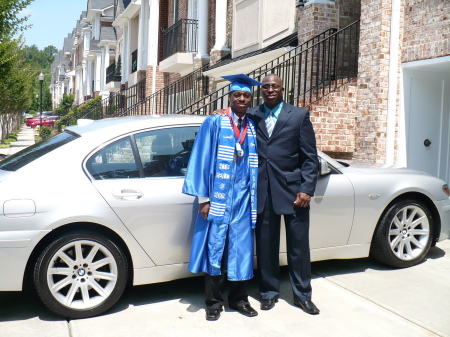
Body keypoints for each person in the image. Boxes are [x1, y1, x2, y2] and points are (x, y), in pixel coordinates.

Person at [182, 74, 263, 321]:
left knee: (241, 250)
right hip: (219, 197)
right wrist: (203, 198)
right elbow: (201, 157)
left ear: (251, 98)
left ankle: (239, 299)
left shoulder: (251, 124)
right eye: (237, 95)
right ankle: (213, 303)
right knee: (215, 248)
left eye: (246, 95)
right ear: (230, 97)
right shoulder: (215, 122)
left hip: (243, 199)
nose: (241, 98)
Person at [250, 74, 319, 315]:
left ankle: (302, 295)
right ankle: (268, 292)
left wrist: (307, 189)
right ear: (261, 90)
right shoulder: (252, 115)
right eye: (266, 87)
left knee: (298, 247)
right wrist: (220, 113)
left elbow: (310, 158)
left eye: (274, 87)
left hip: (294, 192)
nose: (270, 90)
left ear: (282, 89)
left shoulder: (298, 116)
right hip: (263, 191)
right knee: (266, 246)